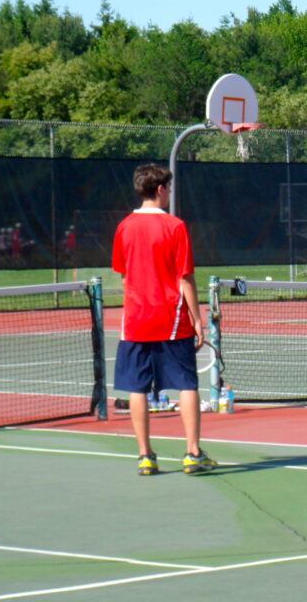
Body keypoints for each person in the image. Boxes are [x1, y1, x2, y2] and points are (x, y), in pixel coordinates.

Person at [112, 163, 216, 476]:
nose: (170, 193)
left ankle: (145, 456)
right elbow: (185, 278)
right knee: (187, 384)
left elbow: (124, 276)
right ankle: (192, 453)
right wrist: (197, 319)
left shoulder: (124, 227)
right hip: (172, 319)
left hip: (135, 321)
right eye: (169, 188)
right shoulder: (175, 226)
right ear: (160, 190)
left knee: (137, 388)